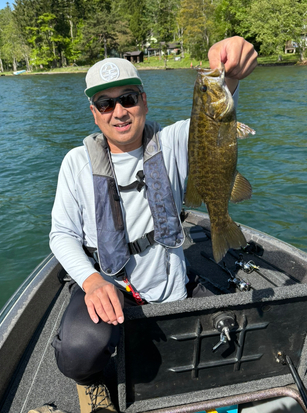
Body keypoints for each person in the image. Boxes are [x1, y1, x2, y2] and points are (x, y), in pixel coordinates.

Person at [48, 37, 258, 413]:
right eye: (105, 103)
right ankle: (95, 383)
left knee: (233, 343)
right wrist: (92, 281)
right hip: (108, 284)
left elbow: (215, 125)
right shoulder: (76, 163)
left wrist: (230, 79)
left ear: (143, 100)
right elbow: (61, 234)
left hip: (169, 285)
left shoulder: (175, 141)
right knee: (78, 353)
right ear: (94, 113)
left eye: (128, 98)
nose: (119, 111)